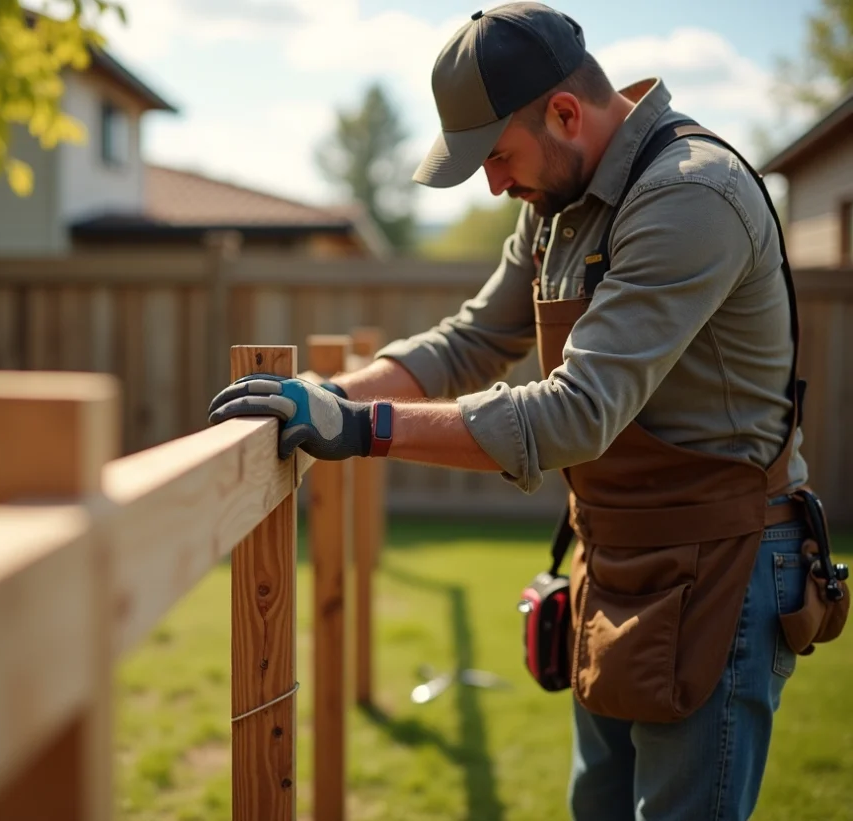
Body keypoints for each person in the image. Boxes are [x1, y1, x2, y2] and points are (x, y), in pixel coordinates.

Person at [207, 3, 848, 820]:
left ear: (566, 113)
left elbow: (575, 414)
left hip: (723, 566)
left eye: (498, 156)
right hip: (617, 552)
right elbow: (473, 339)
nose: (495, 183)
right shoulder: (556, 201)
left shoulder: (693, 197)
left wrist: (363, 431)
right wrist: (335, 397)